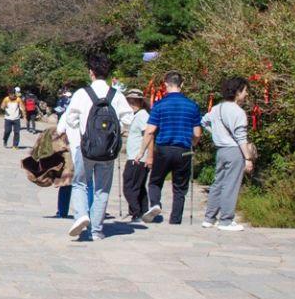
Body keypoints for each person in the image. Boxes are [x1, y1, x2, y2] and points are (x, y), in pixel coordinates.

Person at [62, 54, 133, 241]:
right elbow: (128, 118)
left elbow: (70, 118)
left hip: (84, 149)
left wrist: (80, 135)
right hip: (108, 152)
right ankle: (97, 230)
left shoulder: (81, 94)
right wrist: (118, 132)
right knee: (102, 189)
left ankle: (81, 216)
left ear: (91, 72)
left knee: (80, 184)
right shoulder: (116, 95)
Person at [142, 71, 202, 224]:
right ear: (182, 85)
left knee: (155, 181)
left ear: (166, 85)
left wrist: (141, 151)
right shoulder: (192, 106)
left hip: (164, 148)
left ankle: (155, 204)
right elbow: (197, 133)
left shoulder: (160, 105)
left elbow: (150, 130)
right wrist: (193, 144)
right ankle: (175, 220)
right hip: (184, 150)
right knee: (180, 188)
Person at [201, 77, 254, 231]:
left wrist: (216, 134)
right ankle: (226, 220)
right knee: (231, 185)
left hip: (221, 151)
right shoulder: (239, 112)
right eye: (245, 91)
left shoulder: (217, 108)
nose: (246, 95)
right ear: (237, 92)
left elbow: (204, 122)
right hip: (234, 151)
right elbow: (241, 138)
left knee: (217, 184)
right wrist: (248, 158)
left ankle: (209, 218)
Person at [121, 88, 151, 222]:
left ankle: (136, 212)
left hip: (137, 157)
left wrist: (145, 154)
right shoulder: (138, 115)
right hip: (136, 155)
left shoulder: (143, 115)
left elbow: (149, 135)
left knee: (129, 186)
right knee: (139, 186)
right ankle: (144, 211)